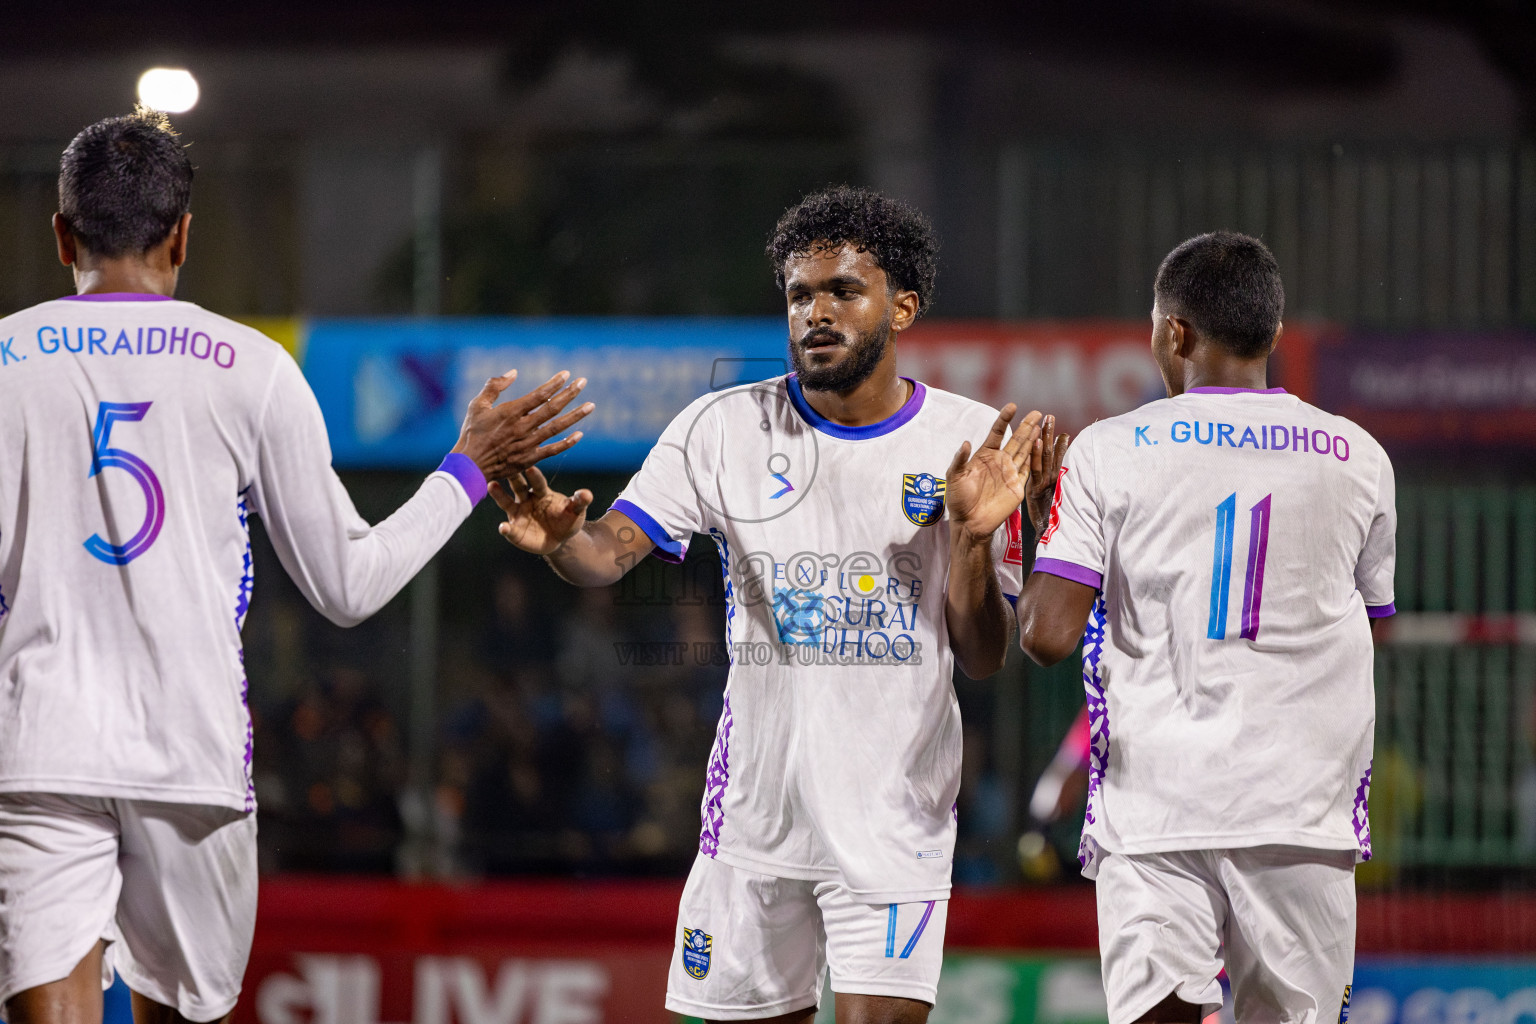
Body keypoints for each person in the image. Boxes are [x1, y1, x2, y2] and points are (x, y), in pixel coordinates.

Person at [0, 109, 593, 1024]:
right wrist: (466, 469)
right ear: (184, 235)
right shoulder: (252, 368)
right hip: (190, 756)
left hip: (37, 748)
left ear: (61, 232)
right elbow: (349, 588)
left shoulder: (4, 359)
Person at [491, 185, 1055, 1023]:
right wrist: (563, 541)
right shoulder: (721, 428)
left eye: (841, 292)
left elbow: (983, 653)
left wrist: (974, 537)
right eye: (799, 295)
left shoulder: (968, 443)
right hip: (754, 823)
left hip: (893, 821)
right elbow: (609, 553)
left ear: (901, 307)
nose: (815, 313)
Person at [1014, 231, 1396, 1024]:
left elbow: (1046, 636)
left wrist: (1036, 519)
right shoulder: (1358, 456)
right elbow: (1375, 629)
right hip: (1302, 812)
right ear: (1273, 334)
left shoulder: (1109, 451)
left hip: (1157, 811)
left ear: (1174, 332)